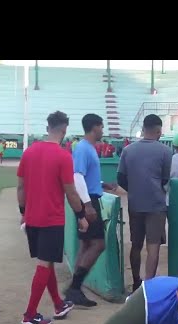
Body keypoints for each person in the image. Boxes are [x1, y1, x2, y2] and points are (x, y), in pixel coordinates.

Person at [16, 111, 87, 324]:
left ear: (47, 127)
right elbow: (71, 192)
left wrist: (23, 211)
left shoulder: (29, 152)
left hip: (33, 216)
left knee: (45, 261)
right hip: (51, 218)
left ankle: (58, 304)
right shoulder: (63, 155)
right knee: (44, 263)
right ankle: (30, 314)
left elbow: (20, 187)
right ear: (64, 130)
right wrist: (81, 215)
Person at [117, 114, 171, 292]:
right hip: (156, 204)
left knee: (136, 244)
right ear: (158, 130)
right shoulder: (165, 151)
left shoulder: (128, 150)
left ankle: (136, 282)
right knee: (153, 246)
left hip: (135, 203)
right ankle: (148, 287)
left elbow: (121, 178)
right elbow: (165, 178)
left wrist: (133, 190)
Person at [64, 114, 107, 308]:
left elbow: (84, 177)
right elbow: (77, 177)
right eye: (101, 126)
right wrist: (88, 205)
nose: (103, 130)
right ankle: (75, 288)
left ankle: (75, 288)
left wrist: (102, 184)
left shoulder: (87, 148)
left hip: (88, 197)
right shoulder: (83, 148)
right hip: (87, 201)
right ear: (94, 127)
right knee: (98, 244)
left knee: (87, 243)